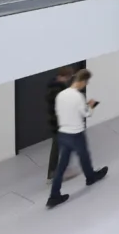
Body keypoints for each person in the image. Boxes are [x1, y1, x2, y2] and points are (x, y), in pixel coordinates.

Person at [46, 68, 108, 208]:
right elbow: (86, 114)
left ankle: (54, 196)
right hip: (76, 133)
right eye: (86, 82)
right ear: (82, 81)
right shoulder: (77, 96)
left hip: (63, 133)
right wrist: (91, 106)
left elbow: (62, 111)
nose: (86, 85)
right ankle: (91, 178)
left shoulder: (61, 95)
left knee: (62, 166)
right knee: (84, 156)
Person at [45, 66, 79, 183]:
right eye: (68, 78)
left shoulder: (56, 86)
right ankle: (56, 173)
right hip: (59, 123)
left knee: (59, 146)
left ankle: (55, 172)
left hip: (59, 122)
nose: (69, 80)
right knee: (60, 147)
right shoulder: (56, 90)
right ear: (64, 76)